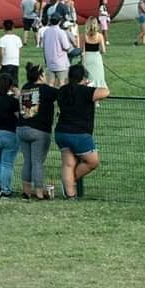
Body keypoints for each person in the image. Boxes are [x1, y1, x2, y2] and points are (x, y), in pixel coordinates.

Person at [55, 64, 110, 199]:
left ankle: (70, 194)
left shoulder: (62, 90)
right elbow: (105, 92)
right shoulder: (86, 91)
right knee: (93, 161)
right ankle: (70, 182)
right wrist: (87, 85)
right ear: (83, 77)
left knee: (68, 163)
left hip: (61, 132)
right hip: (80, 134)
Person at [18, 62, 58, 200]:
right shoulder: (47, 90)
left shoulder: (25, 88)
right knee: (37, 162)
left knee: (27, 161)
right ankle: (40, 193)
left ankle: (26, 192)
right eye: (44, 75)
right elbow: (61, 95)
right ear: (40, 77)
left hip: (22, 128)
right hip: (39, 130)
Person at [39, 15, 72, 86]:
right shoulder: (61, 32)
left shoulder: (46, 32)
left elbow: (43, 46)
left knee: (50, 83)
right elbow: (66, 46)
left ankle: (51, 97)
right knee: (62, 83)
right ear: (59, 22)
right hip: (61, 62)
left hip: (49, 61)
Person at [82, 17, 107, 88]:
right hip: (96, 58)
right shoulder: (100, 36)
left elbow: (82, 51)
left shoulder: (84, 36)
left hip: (87, 57)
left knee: (88, 77)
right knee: (98, 77)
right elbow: (103, 51)